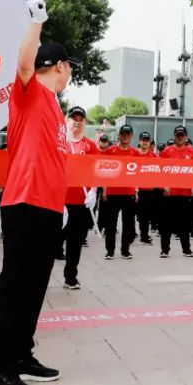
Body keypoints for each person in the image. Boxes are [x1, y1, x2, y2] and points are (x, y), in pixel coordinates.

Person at [0, 0, 73, 385]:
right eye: (68, 67)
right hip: (23, 202)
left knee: (36, 286)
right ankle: (0, 369)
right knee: (15, 285)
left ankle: (22, 355)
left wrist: (63, 204)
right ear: (59, 66)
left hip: (49, 207)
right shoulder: (29, 91)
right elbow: (23, 64)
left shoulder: (54, 104)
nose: (70, 73)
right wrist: (36, 21)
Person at [63, 106, 98, 290]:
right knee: (50, 241)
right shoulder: (59, 143)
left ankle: (70, 277)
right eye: (73, 118)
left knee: (75, 242)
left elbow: (96, 171)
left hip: (81, 202)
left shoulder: (90, 146)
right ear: (66, 120)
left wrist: (93, 191)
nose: (76, 122)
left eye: (80, 119)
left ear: (85, 122)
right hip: (60, 202)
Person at [158, 125, 193, 258]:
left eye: (182, 135)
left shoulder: (191, 152)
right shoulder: (167, 151)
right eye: (178, 135)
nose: (180, 137)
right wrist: (164, 185)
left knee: (184, 223)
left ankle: (186, 249)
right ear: (174, 136)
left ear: (186, 137)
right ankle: (165, 249)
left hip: (185, 193)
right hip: (170, 193)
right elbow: (160, 170)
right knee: (166, 223)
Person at [101, 125, 139, 259]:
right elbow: (104, 171)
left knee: (128, 224)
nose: (125, 136)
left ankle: (125, 250)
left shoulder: (135, 153)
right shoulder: (110, 151)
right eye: (123, 134)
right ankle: (110, 251)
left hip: (129, 193)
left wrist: (136, 190)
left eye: (128, 134)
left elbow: (138, 173)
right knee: (110, 224)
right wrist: (104, 189)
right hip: (112, 192)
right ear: (119, 135)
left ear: (132, 136)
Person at [136, 131, 161, 245]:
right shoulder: (134, 154)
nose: (145, 142)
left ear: (150, 142)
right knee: (134, 214)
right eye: (143, 140)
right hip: (135, 190)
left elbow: (159, 171)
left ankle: (144, 236)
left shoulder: (154, 156)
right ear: (139, 141)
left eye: (147, 140)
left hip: (149, 190)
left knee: (145, 215)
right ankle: (131, 233)